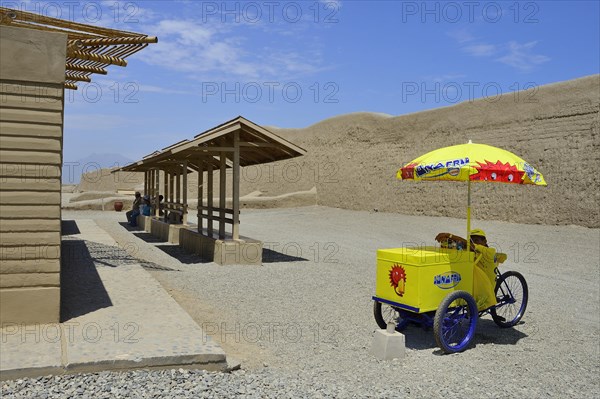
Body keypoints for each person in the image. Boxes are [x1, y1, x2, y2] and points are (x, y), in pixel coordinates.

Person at [435, 229, 497, 311]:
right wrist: (446, 242)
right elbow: (457, 246)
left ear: (485, 241)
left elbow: (471, 246)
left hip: (486, 286)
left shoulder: (490, 251)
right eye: (471, 240)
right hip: (474, 281)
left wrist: (450, 235)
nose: (474, 242)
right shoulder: (470, 250)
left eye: (476, 240)